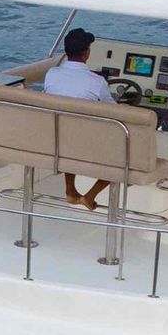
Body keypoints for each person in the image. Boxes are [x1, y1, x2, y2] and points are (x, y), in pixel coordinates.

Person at [42, 28, 115, 209]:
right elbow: (115, 111)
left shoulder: (51, 74)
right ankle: (90, 196)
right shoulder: (97, 82)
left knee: (68, 130)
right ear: (86, 53)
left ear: (66, 52)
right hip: (82, 145)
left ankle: (70, 191)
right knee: (122, 154)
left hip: (53, 140)